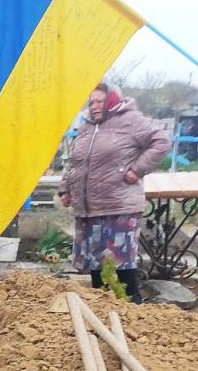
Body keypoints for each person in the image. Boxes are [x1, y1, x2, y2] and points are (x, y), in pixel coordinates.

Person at [57, 83, 169, 304]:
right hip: (89, 210)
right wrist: (65, 188)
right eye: (91, 102)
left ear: (112, 100)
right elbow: (75, 162)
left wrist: (136, 170)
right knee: (97, 269)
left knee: (121, 268)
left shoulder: (131, 120)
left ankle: (133, 315)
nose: (95, 106)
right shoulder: (87, 126)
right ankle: (104, 314)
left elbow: (162, 142)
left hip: (118, 207)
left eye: (99, 101)